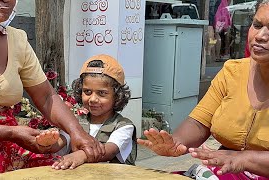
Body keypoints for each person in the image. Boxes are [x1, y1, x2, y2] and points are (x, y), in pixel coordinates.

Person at [0, 0, 104, 179]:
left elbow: (46, 96)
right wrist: (12, 133)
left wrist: (77, 132)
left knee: (68, 173)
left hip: (11, 149)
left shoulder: (17, 39)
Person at [138, 0, 269, 178]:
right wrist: (175, 143)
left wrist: (244, 159)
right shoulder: (233, 71)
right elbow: (199, 123)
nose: (261, 35)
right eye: (257, 25)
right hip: (223, 172)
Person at [49, 54, 137, 170]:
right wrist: (49, 143)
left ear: (117, 96)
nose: (93, 99)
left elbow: (109, 150)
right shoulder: (74, 123)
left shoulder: (124, 127)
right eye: (87, 92)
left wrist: (81, 155)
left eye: (102, 93)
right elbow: (61, 143)